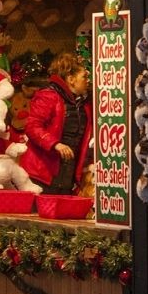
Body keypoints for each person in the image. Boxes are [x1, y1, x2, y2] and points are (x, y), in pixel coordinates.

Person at [19, 53, 95, 195]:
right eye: (84, 77)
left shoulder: (83, 103)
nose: (87, 81)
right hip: (43, 172)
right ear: (71, 79)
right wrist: (55, 144)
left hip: (68, 171)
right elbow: (32, 126)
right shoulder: (49, 96)